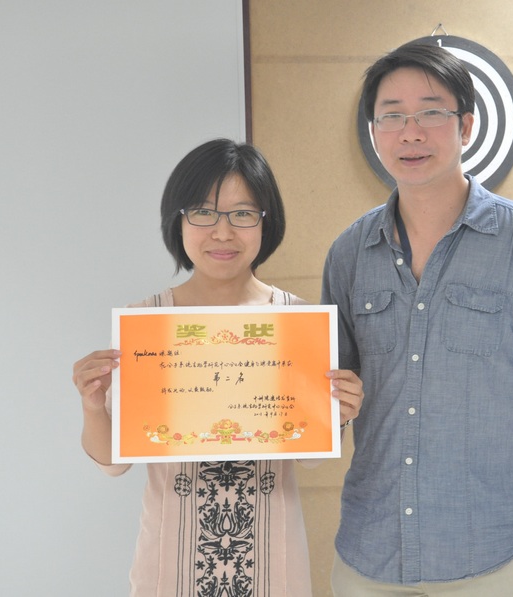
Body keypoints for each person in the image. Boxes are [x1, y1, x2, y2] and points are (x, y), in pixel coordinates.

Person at [321, 42, 513, 596]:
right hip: (373, 550)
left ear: (465, 126)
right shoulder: (349, 253)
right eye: (392, 116)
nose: (410, 132)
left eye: (430, 113)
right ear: (374, 131)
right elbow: (332, 390)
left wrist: (504, 477)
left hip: (497, 549)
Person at [72, 139, 364, 597]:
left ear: (267, 222)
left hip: (272, 564)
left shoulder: (297, 322)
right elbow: (113, 463)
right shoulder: (146, 322)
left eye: (242, 214)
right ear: (178, 220)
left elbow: (309, 456)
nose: (222, 233)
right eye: (203, 213)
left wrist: (340, 413)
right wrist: (93, 405)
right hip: (170, 566)